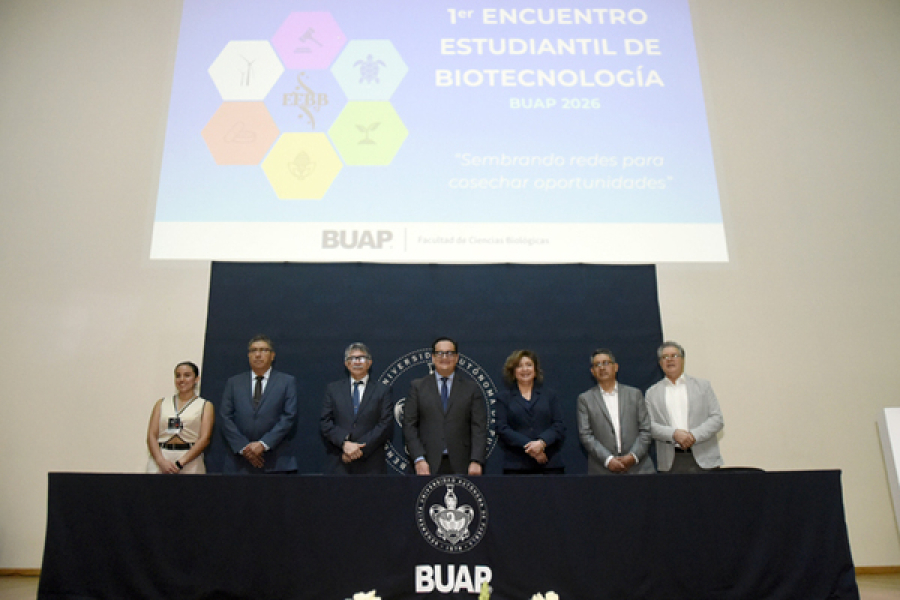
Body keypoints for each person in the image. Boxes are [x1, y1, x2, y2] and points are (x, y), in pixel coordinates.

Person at [403, 337, 487, 476]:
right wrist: (418, 459)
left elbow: (479, 427)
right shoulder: (417, 386)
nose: (445, 357)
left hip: (463, 464)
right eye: (440, 353)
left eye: (449, 353)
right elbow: (409, 425)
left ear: (457, 357)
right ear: (433, 357)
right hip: (426, 463)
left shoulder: (471, 388)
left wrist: (476, 460)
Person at [219, 335, 299, 473]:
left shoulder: (287, 382)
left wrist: (263, 444)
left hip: (276, 461)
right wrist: (244, 448)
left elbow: (289, 416)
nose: (258, 355)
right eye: (253, 350)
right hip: (239, 462)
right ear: (248, 355)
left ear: (272, 355)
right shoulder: (234, 383)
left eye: (263, 350)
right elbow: (225, 417)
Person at [645, 341, 724, 473]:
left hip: (705, 459)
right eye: (665, 357)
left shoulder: (703, 386)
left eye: (674, 355)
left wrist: (693, 435)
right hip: (671, 462)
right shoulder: (652, 393)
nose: (670, 359)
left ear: (682, 360)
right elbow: (649, 425)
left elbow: (717, 419)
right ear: (660, 363)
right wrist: (674, 434)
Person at [577, 348, 654, 475]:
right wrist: (609, 460)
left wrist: (632, 456)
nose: (602, 368)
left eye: (606, 363)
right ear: (592, 371)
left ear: (616, 367)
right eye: (597, 364)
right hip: (602, 470)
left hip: (639, 468)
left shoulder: (634, 394)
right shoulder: (585, 399)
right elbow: (585, 435)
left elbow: (646, 430)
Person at [320, 342, 394, 474]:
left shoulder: (382, 390)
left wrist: (359, 449)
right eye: (352, 358)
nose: (357, 362)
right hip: (340, 461)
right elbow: (325, 422)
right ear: (346, 363)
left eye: (362, 358)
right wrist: (345, 444)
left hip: (372, 463)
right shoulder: (333, 389)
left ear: (369, 362)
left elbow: (385, 425)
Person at [495, 350, 566, 474]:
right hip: (516, 465)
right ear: (513, 371)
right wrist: (531, 447)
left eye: (529, 365)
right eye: (519, 366)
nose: (525, 369)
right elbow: (502, 428)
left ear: (535, 369)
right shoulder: (503, 398)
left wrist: (542, 443)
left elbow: (558, 426)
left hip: (549, 463)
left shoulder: (550, 395)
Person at [146, 361, 214, 474]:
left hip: (190, 459)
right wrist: (160, 461)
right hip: (162, 457)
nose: (182, 379)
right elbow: (151, 435)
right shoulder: (161, 403)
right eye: (178, 376)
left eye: (187, 375)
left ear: (196, 379)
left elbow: (205, 438)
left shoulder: (205, 405)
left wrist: (180, 463)